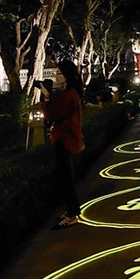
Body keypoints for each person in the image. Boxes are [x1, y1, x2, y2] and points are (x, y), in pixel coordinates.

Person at [40, 61, 85, 229]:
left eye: (59, 73)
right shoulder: (68, 94)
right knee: (65, 178)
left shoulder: (69, 95)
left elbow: (53, 114)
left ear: (67, 76)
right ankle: (71, 211)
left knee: (66, 179)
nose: (56, 76)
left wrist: (46, 97)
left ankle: (73, 214)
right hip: (64, 139)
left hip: (65, 140)